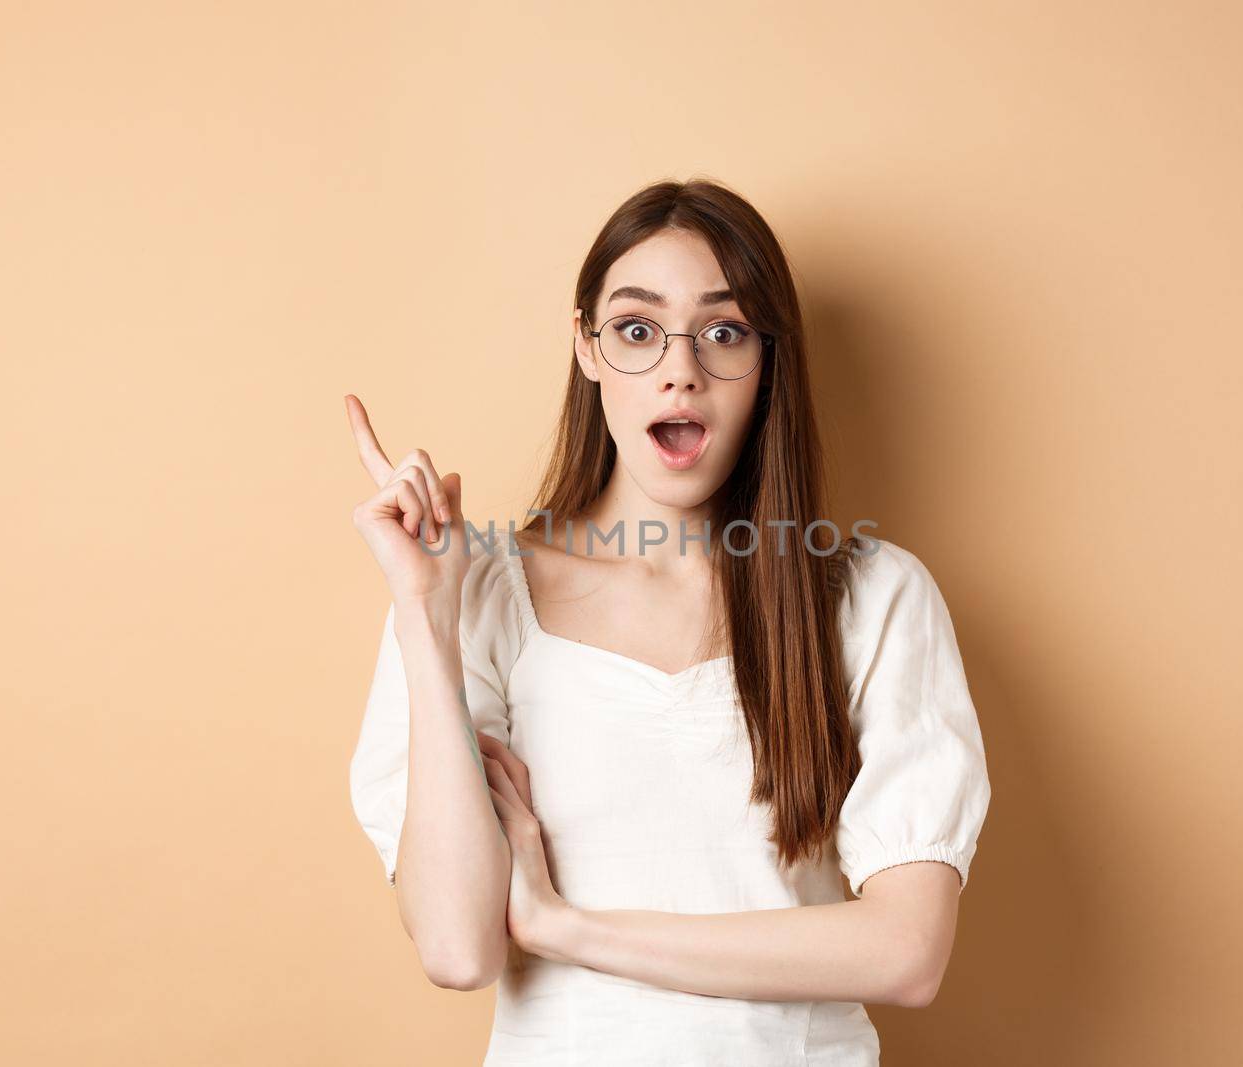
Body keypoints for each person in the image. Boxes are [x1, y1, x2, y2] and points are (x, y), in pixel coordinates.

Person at [344, 178, 992, 1065]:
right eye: (638, 329)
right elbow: (458, 947)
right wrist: (425, 612)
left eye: (723, 332)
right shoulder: (475, 593)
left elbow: (908, 950)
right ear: (586, 348)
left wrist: (571, 929)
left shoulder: (872, 596)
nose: (679, 367)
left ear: (768, 359)